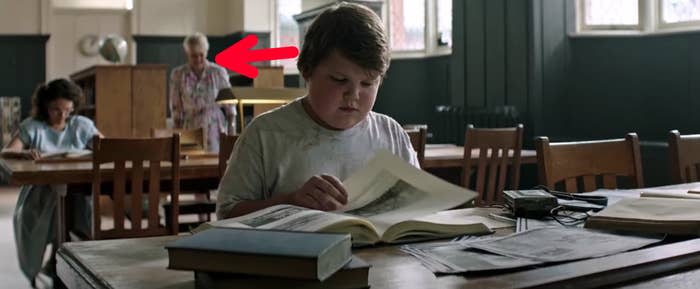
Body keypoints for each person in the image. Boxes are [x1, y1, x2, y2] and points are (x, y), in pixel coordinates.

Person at [216, 3, 418, 219]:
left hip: (379, 252)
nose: (354, 95)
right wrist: (289, 203)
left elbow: (418, 206)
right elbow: (227, 213)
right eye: (339, 80)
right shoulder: (264, 135)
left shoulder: (392, 134)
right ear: (307, 71)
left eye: (368, 83)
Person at [0, 78, 102, 286]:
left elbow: (107, 146)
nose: (63, 115)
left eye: (68, 110)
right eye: (57, 109)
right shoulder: (33, 127)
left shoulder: (81, 125)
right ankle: (47, 266)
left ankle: (62, 265)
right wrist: (25, 153)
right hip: (40, 193)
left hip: (76, 192)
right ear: (46, 106)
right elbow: (6, 152)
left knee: (72, 218)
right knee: (32, 226)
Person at [169, 32, 235, 152]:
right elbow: (176, 106)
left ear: (206, 52)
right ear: (187, 54)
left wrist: (231, 133)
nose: (198, 59)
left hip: (214, 128)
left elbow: (230, 105)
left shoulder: (218, 72)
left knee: (214, 165)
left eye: (201, 55)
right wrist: (177, 133)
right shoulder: (178, 74)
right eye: (194, 55)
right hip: (190, 127)